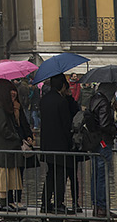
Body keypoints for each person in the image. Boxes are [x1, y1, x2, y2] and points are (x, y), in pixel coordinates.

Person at [39, 74, 76, 215]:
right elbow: (66, 124)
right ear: (62, 86)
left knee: (50, 174)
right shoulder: (61, 102)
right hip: (60, 144)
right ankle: (58, 203)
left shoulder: (44, 100)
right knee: (60, 174)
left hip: (47, 144)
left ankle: (45, 202)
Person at [85, 81, 117, 219]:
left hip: (94, 140)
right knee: (103, 174)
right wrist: (115, 130)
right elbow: (104, 124)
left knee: (96, 173)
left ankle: (96, 206)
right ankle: (102, 207)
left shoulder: (94, 99)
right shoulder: (104, 102)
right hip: (103, 141)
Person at [0, 79, 25, 213]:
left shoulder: (5, 107)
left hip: (10, 146)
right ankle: (4, 202)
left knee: (10, 175)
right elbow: (3, 128)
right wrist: (15, 137)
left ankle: (9, 202)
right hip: (5, 146)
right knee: (4, 176)